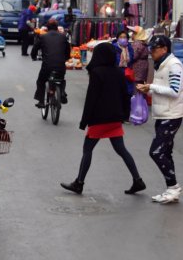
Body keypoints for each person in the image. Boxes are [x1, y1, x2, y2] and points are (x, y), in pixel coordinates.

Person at [60, 42, 145, 196]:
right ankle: (137, 180)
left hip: (99, 119)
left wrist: (84, 121)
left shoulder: (97, 72)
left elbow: (91, 98)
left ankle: (79, 183)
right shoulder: (119, 72)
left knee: (87, 150)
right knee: (122, 150)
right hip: (115, 119)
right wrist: (125, 115)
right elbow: (126, 95)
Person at [136, 34, 183, 204]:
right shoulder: (161, 64)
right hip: (163, 113)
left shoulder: (174, 66)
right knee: (165, 152)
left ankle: (173, 187)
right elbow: (164, 88)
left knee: (156, 152)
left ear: (164, 49)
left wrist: (151, 87)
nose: (151, 53)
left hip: (171, 114)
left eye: (154, 49)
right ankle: (171, 189)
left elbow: (174, 91)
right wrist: (148, 90)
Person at [31, 19, 71, 107]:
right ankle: (62, 92)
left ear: (47, 28)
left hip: (47, 66)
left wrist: (33, 57)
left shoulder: (43, 37)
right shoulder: (63, 36)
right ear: (57, 27)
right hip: (60, 66)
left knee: (41, 81)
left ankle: (41, 101)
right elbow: (68, 50)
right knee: (61, 79)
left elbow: (35, 48)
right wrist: (66, 58)